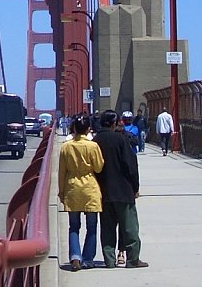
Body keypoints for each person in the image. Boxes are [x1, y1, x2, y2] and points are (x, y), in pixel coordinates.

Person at [94, 109, 149, 269]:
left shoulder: (96, 140)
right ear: (113, 123)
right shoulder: (120, 139)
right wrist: (135, 186)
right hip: (124, 190)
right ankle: (132, 259)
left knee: (107, 227)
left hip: (103, 190)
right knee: (130, 227)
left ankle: (109, 260)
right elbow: (130, 165)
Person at [58, 113, 104, 271]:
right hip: (90, 187)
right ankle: (88, 259)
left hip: (72, 187)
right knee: (91, 227)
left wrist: (61, 192)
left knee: (74, 226)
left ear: (74, 129)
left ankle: (75, 257)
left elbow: (61, 172)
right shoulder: (93, 146)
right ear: (88, 130)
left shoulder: (66, 147)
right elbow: (98, 167)